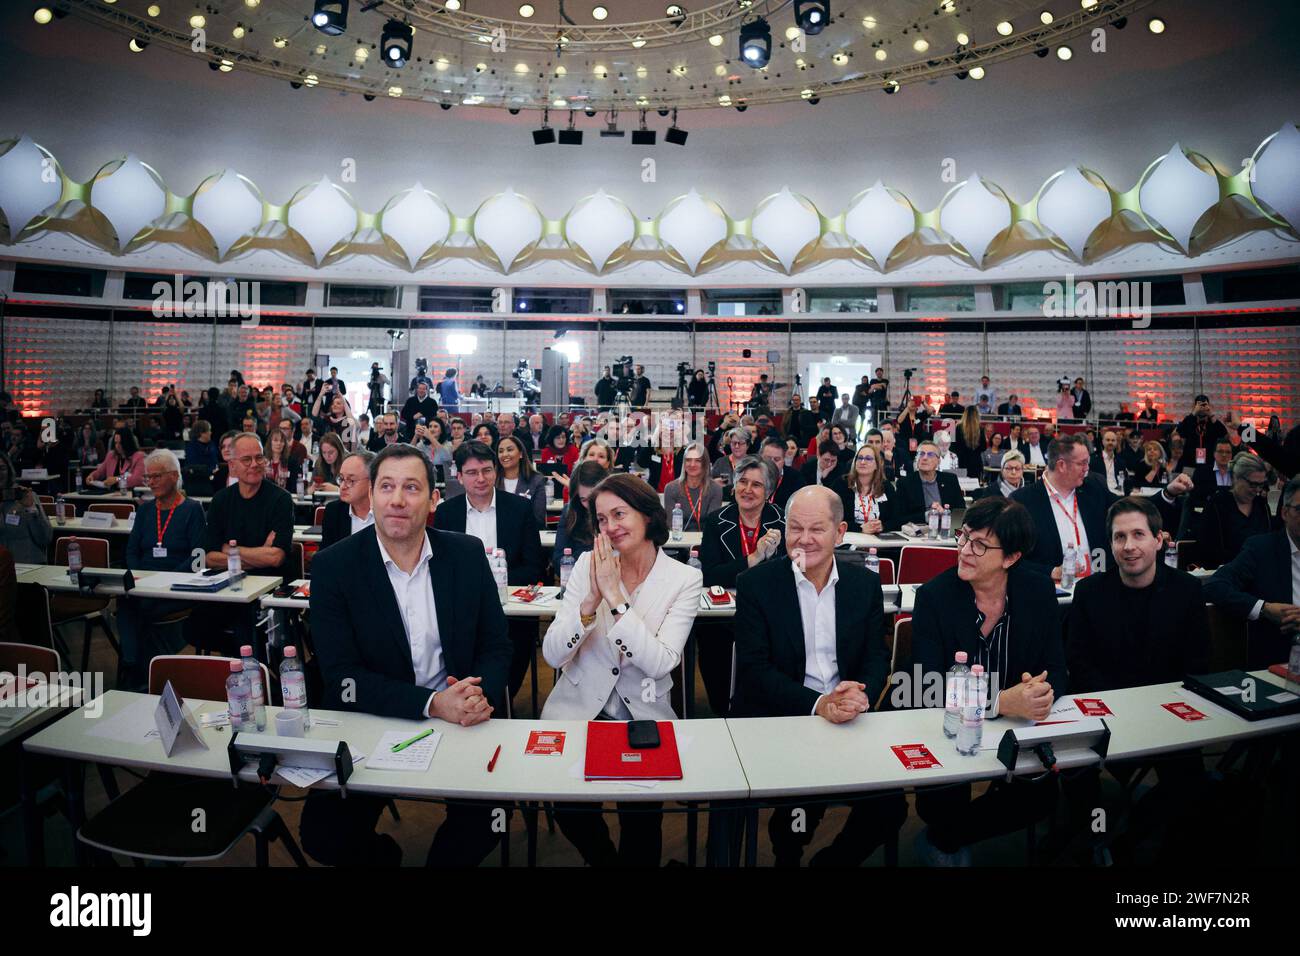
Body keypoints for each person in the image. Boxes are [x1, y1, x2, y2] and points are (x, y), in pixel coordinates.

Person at [304, 443, 511, 867]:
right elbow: (341, 678)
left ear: (434, 500)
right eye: (387, 487)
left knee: (491, 818)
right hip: (373, 719)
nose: (397, 500)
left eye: (412, 487)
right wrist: (434, 704)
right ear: (372, 495)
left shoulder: (467, 554)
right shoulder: (333, 567)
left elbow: (496, 646)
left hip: (462, 720)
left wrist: (474, 694)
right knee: (323, 835)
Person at [732, 485, 907, 866]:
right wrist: (818, 705)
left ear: (840, 532)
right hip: (783, 715)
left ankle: (831, 862)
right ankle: (788, 855)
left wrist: (861, 692)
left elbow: (876, 655)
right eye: (796, 529)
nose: (804, 540)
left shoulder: (863, 585)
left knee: (890, 808)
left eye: (817, 530)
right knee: (798, 811)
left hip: (847, 714)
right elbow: (754, 670)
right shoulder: (756, 586)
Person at [541, 473, 701, 866]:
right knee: (571, 811)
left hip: (644, 715)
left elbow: (662, 661)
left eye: (619, 514)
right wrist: (587, 606)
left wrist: (615, 597)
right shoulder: (585, 565)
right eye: (602, 519)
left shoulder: (684, 579)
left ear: (648, 515)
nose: (610, 527)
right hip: (580, 710)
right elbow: (551, 655)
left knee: (643, 824)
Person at [911, 497, 1066, 864]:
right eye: (963, 537)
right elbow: (924, 684)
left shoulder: (1038, 592)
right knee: (943, 797)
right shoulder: (935, 596)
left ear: (1011, 558)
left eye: (979, 545)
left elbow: (1057, 668)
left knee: (1042, 796)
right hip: (947, 728)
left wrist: (1041, 691)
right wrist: (997, 702)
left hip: (1017, 728)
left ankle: (945, 838)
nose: (964, 550)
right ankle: (945, 835)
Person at [1063, 494, 1211, 858]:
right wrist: (1120, 710)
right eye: (1119, 537)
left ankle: (1128, 839)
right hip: (1104, 713)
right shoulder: (1089, 592)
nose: (1128, 546)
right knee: (1075, 776)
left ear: (1159, 540)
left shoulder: (1188, 591)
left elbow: (1196, 664)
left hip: (1168, 714)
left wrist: (1154, 711)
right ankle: (1096, 839)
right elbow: (1078, 663)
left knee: (1192, 786)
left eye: (1138, 535)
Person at [434, 441, 545, 701]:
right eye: (472, 473)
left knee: (508, 659)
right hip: (461, 610)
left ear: (495, 471)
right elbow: (440, 569)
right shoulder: (446, 514)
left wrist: (491, 585)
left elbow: (534, 566)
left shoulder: (519, 509)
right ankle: (470, 700)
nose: (481, 479)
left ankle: (494, 702)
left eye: (486, 470)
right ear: (459, 477)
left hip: (509, 607)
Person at [699, 457, 785, 715]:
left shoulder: (783, 522)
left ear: (768, 492)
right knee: (711, 639)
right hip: (723, 617)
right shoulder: (716, 521)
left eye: (756, 485)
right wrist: (754, 558)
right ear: (734, 486)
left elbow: (790, 575)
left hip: (770, 613)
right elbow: (711, 575)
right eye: (742, 482)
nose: (747, 490)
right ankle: (721, 710)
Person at [117, 449, 206, 689]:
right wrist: (140, 577)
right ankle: (134, 663)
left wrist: (167, 579)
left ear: (175, 476)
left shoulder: (192, 510)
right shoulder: (145, 511)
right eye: (148, 477)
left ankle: (138, 673)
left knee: (139, 608)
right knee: (125, 600)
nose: (151, 482)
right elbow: (132, 550)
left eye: (157, 476)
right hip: (143, 583)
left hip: (176, 586)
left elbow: (198, 556)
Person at [199, 433, 295, 653]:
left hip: (269, 589)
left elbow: (275, 558)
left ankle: (252, 678)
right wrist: (259, 554)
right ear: (232, 466)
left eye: (259, 458)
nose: (255, 464)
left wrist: (230, 550)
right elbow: (210, 557)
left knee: (246, 628)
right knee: (198, 624)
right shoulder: (221, 500)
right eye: (246, 460)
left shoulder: (280, 499)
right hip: (227, 586)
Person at [1204, 477, 1300, 669]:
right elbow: (1215, 586)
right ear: (1284, 512)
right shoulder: (1261, 549)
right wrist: (1264, 609)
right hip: (1278, 662)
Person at [1011, 434, 1112, 581]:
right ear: (1061, 465)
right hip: (1053, 594)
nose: (1087, 469)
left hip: (1095, 589)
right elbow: (1011, 558)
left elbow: (1125, 506)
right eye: (1082, 463)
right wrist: (1051, 572)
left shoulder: (1093, 489)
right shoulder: (1022, 501)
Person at [1196, 452, 1277, 568]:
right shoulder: (1218, 504)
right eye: (1253, 484)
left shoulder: (1262, 505)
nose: (1258, 490)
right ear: (1236, 478)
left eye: (1261, 485)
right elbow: (1207, 549)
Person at [552, 460, 610, 568]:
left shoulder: (617, 514)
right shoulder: (570, 512)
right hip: (580, 579)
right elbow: (558, 560)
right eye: (584, 499)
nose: (590, 505)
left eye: (594, 497)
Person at [895, 440, 964, 524]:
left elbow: (961, 512)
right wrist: (927, 516)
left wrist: (945, 514)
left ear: (938, 461)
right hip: (917, 533)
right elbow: (899, 518)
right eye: (921, 454)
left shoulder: (950, 480)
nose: (925, 458)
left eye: (930, 454)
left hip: (945, 530)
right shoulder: (905, 483)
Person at [662, 440, 724, 534]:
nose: (692, 464)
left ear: (705, 463)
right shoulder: (671, 488)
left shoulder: (715, 489)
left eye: (698, 460)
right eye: (688, 460)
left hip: (705, 541)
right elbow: (670, 525)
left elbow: (712, 524)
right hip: (678, 542)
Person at [0, 452, 51, 564]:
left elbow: (45, 538)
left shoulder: (25, 495)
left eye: (2, 468)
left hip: (30, 566)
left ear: (9, 470)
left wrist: (31, 509)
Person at [320, 450, 376, 550]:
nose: (342, 486)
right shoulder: (333, 511)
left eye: (351, 480)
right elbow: (326, 556)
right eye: (341, 479)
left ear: (372, 481)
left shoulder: (387, 512)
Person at [837, 443, 898, 534]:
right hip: (851, 540)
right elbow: (834, 520)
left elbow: (897, 519)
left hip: (879, 542)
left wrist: (883, 526)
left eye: (868, 459)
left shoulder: (886, 487)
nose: (863, 462)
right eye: (860, 458)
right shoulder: (842, 485)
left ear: (877, 465)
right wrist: (860, 528)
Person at [496, 433, 547, 527]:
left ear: (520, 454)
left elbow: (538, 518)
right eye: (500, 451)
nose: (504, 454)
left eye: (510, 450)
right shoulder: (492, 480)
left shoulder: (536, 480)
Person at [1175, 395, 1228, 470]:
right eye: (1199, 405)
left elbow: (1223, 433)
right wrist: (1193, 413)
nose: (1202, 408)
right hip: (1190, 463)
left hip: (1209, 463)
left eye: (1205, 405)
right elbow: (1180, 431)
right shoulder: (1190, 421)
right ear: (1195, 406)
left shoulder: (1213, 422)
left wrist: (1211, 414)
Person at [758, 436, 804, 511]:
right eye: (768, 459)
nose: (771, 463)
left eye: (776, 459)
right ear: (760, 458)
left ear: (783, 460)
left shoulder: (796, 478)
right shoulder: (751, 475)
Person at [1190, 437, 1236, 505]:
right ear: (1214, 454)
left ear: (1232, 455)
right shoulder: (1201, 473)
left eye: (1228, 452)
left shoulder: (1237, 473)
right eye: (1220, 451)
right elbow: (1195, 500)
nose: (1224, 455)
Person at [1089, 429, 1127, 496]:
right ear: (1103, 442)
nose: (1110, 442)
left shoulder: (1120, 461)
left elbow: (1124, 479)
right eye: (1108, 440)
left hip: (1118, 493)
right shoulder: (1094, 459)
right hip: (1100, 493)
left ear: (1116, 442)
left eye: (1113, 440)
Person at [953, 407, 986, 476]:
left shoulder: (958, 428)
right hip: (976, 462)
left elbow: (954, 446)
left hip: (962, 461)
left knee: (962, 484)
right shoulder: (980, 429)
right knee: (975, 485)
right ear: (976, 415)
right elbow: (983, 447)